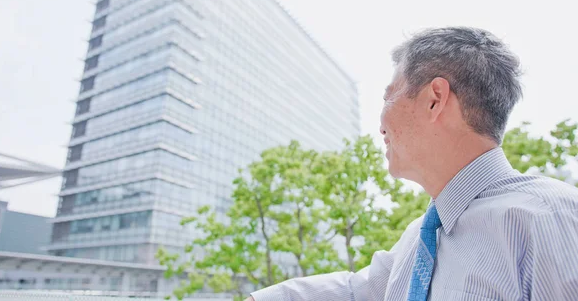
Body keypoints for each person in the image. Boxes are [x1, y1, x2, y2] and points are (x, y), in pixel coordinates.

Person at [246, 27, 578, 300]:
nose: (380, 123)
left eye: (389, 95)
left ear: (435, 99)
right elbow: (356, 292)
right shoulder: (419, 240)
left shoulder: (550, 218)